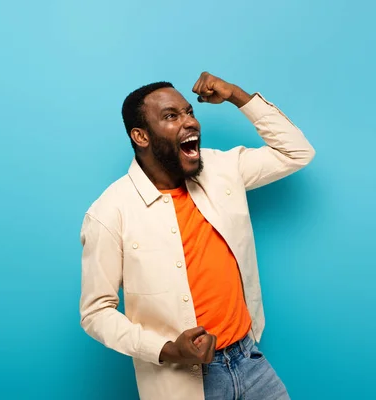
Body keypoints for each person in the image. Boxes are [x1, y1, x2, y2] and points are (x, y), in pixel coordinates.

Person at [79, 71, 315, 400]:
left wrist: (236, 95)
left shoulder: (221, 169)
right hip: (184, 381)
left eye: (189, 112)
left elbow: (296, 152)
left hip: (249, 358)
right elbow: (96, 313)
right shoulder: (109, 213)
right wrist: (167, 349)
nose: (190, 122)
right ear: (141, 136)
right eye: (171, 116)